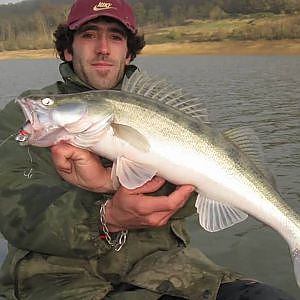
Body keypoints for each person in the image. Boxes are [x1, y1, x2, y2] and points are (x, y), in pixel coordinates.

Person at [0, 1, 296, 299]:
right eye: (89, 35)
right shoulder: (22, 115)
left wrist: (113, 183)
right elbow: (13, 211)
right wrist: (107, 217)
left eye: (115, 37)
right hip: (57, 280)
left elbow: (188, 199)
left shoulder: (149, 109)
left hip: (169, 271)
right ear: (68, 49)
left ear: (128, 53)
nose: (103, 48)